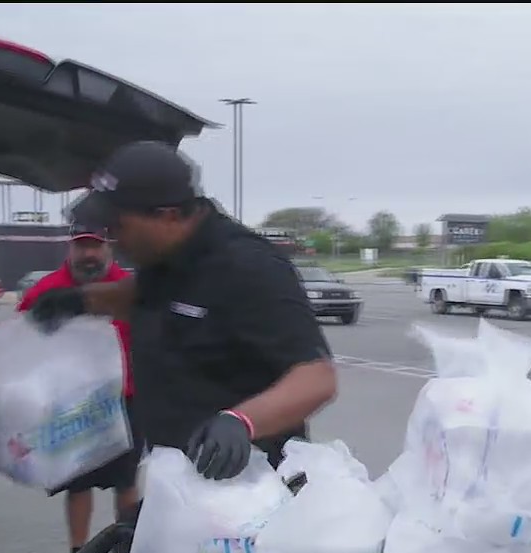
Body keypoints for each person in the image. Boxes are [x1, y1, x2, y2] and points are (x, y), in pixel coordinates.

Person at [26, 140, 337, 482]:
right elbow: (151, 299)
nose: (111, 237)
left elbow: (316, 378)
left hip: (253, 487)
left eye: (117, 226)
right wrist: (81, 300)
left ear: (168, 216)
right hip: (181, 479)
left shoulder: (250, 268)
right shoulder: (163, 259)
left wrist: (241, 421)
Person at [16, 227, 141, 553]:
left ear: (108, 248)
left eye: (95, 247)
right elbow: (23, 337)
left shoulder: (128, 289)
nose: (89, 254)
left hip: (125, 399)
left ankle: (124, 551)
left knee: (126, 480)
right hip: (70, 403)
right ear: (71, 248)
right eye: (82, 247)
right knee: (78, 482)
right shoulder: (47, 290)